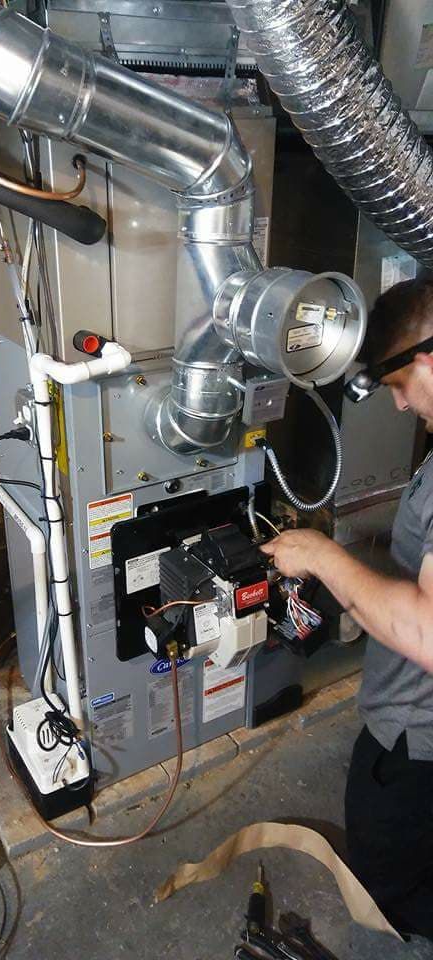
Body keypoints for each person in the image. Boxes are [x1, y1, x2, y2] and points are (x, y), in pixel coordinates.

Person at [260, 277, 433, 940]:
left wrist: (323, 556)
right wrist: (374, 577)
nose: (398, 405)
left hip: (415, 744)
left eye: (398, 384)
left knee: (386, 887)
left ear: (428, 360)